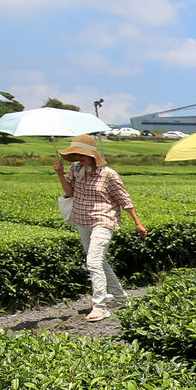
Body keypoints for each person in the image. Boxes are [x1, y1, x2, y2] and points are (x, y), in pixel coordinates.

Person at [54, 134, 147, 322]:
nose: (79, 158)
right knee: (99, 261)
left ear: (92, 155)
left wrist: (137, 222)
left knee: (93, 261)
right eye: (76, 155)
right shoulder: (75, 169)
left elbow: (124, 199)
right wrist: (59, 174)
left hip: (104, 220)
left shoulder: (108, 174)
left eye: (82, 155)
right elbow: (69, 192)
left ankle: (100, 306)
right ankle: (121, 299)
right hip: (82, 219)